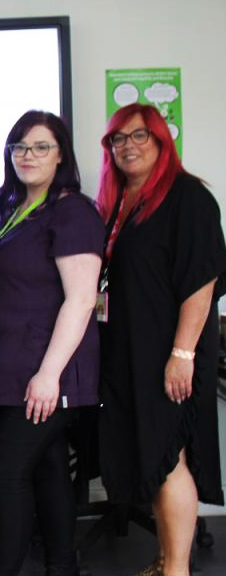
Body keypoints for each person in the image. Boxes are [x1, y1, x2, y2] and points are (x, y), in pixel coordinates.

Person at [96, 103, 226, 576]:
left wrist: (182, 354)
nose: (127, 146)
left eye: (139, 136)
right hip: (132, 351)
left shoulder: (188, 197)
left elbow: (202, 282)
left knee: (169, 457)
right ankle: (165, 559)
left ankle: (177, 569)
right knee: (154, 456)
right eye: (117, 138)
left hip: (170, 352)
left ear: (161, 140)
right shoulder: (123, 202)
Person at [0, 111, 103, 576]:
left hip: (51, 370)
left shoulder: (72, 210)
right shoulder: (10, 207)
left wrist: (49, 375)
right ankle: (61, 565)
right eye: (19, 147)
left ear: (61, 154)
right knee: (47, 466)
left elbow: (82, 299)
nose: (28, 155)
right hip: (11, 367)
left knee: (7, 470)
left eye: (41, 146)